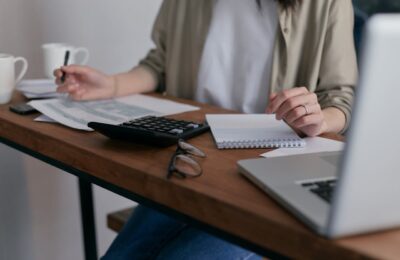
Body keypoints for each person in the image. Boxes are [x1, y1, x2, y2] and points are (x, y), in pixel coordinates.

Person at [54, 0, 357, 258]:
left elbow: (340, 98)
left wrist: (319, 119)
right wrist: (113, 84)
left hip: (270, 175)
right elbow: (160, 63)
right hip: (191, 163)